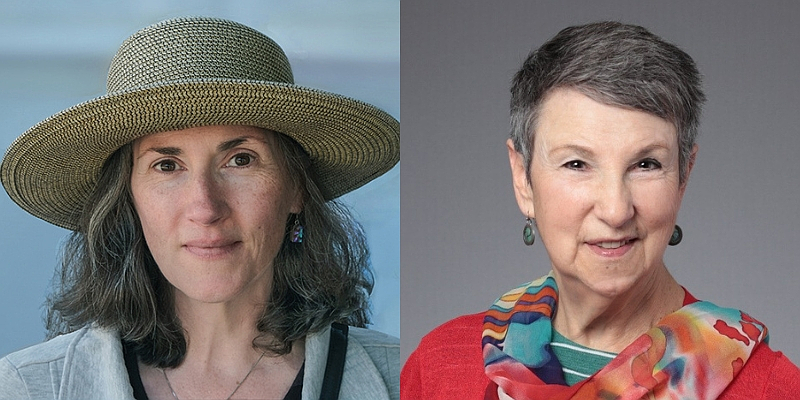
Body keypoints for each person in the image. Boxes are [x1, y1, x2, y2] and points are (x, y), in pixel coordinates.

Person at [0, 17, 399, 400]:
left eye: (241, 160)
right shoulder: (26, 388)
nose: (206, 208)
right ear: (128, 198)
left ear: (296, 189)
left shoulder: (406, 379)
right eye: (167, 166)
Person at [401, 21, 800, 399]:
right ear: (523, 178)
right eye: (577, 164)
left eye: (647, 164)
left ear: (684, 177)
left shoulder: (772, 389)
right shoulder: (439, 367)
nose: (615, 209)